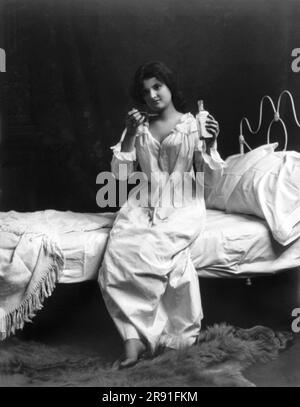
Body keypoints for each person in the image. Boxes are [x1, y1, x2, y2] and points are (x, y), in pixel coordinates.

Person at [98, 61, 225, 369]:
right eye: (146, 91)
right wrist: (128, 135)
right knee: (118, 251)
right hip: (144, 199)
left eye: (158, 86)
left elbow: (209, 181)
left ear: (170, 87)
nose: (152, 94)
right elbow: (119, 177)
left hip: (183, 201)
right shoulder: (138, 127)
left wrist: (209, 143)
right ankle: (133, 339)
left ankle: (162, 337)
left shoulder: (193, 124)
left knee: (155, 246)